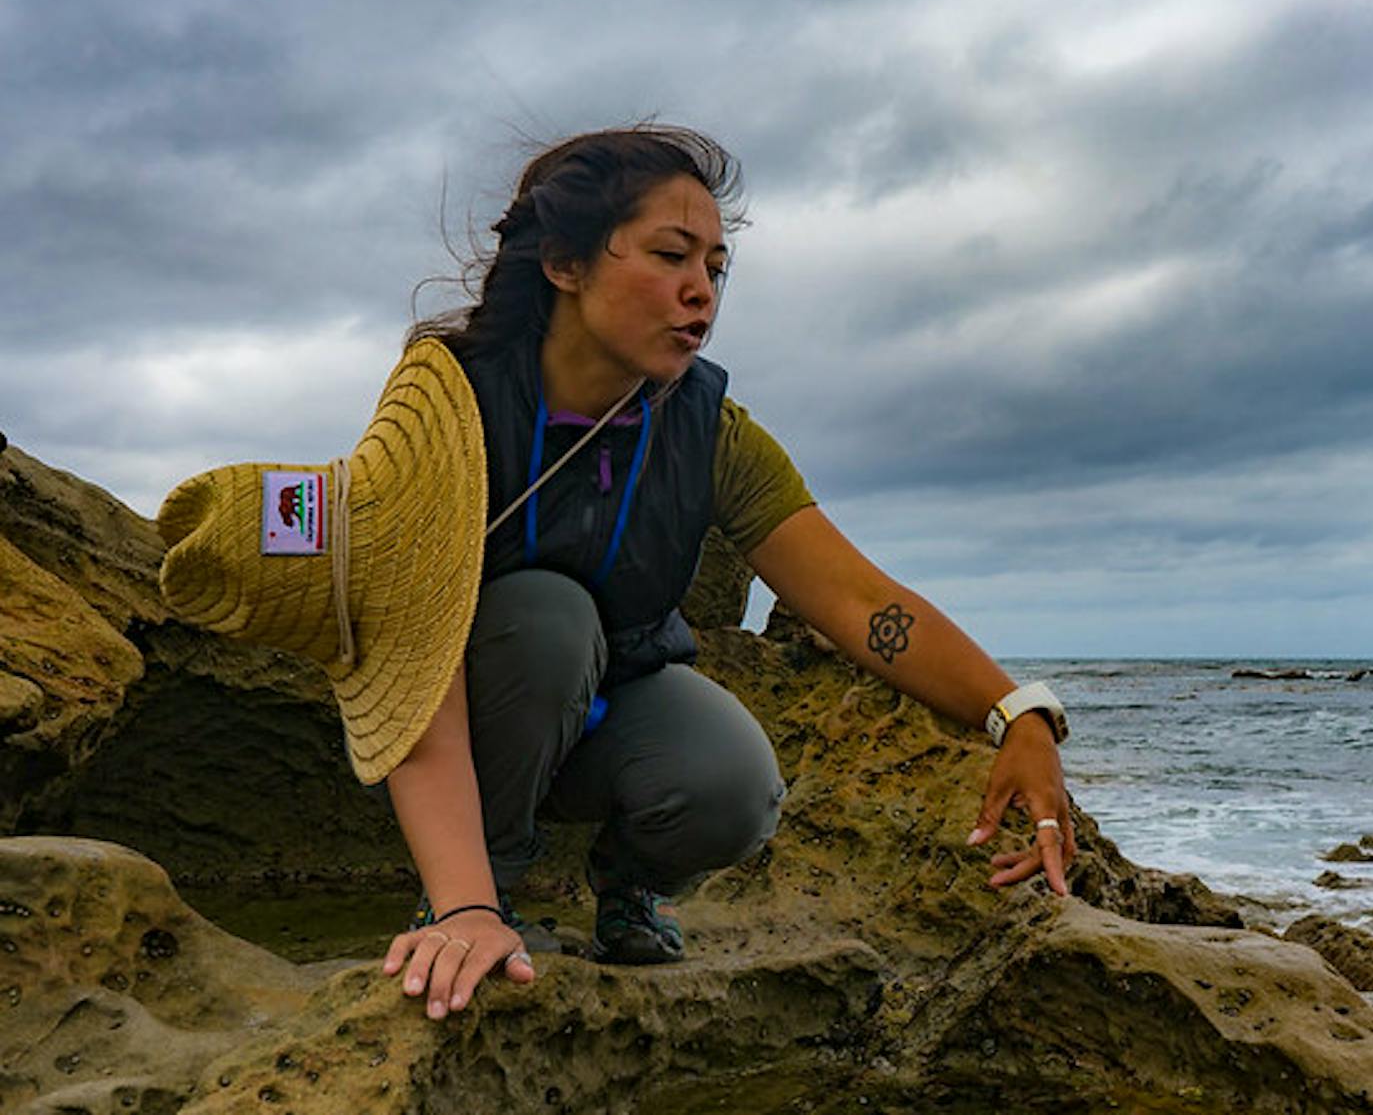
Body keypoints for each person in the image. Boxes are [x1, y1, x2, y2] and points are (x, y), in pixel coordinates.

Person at [160, 124, 1075, 1023]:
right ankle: (484, 895)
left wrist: (1017, 713)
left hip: (604, 706)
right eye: (671, 255)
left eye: (715, 268)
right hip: (464, 712)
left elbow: (858, 598)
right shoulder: (447, 405)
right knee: (546, 616)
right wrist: (466, 901)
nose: (701, 294)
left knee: (735, 783)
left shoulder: (706, 429)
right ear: (565, 263)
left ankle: (630, 888)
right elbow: (414, 667)